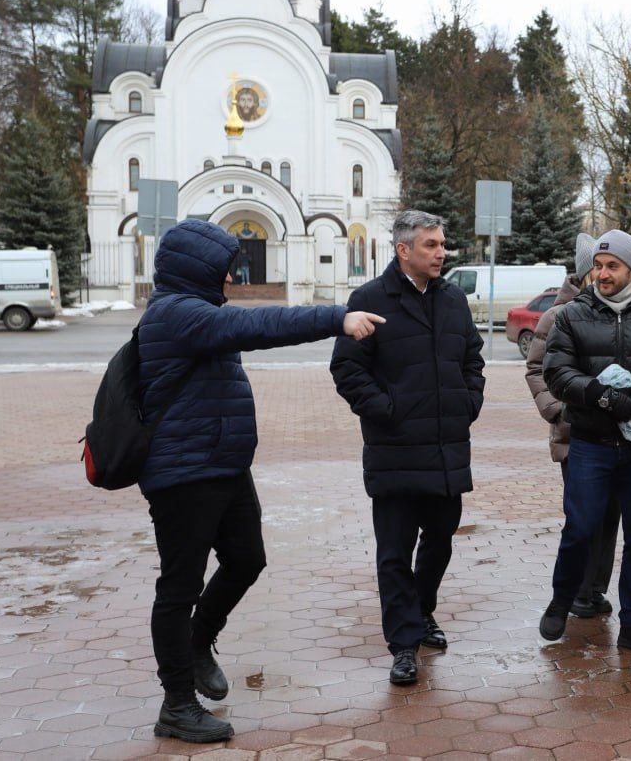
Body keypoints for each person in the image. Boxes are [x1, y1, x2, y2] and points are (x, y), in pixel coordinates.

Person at [137, 219, 383, 743]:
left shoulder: (198, 310)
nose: (230, 277)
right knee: (178, 588)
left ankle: (198, 641)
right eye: (223, 269)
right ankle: (176, 705)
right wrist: (337, 318)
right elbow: (261, 325)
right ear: (197, 269)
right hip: (183, 474)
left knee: (247, 559)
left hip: (222, 465)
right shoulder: (177, 314)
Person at [330, 210, 485, 687]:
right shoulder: (369, 300)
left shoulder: (453, 299)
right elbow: (347, 369)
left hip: (446, 449)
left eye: (442, 244)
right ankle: (403, 644)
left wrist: (467, 403)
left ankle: (421, 610)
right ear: (403, 250)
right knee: (395, 553)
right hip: (394, 449)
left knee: (440, 539)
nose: (441, 253)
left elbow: (473, 359)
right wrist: (387, 410)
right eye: (431, 245)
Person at [539, 229, 631, 656]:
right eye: (598, 266)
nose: (602, 274)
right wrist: (602, 396)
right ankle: (562, 600)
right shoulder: (572, 315)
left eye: (612, 266)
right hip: (591, 444)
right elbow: (556, 372)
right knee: (580, 529)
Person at [525, 233, 622, 619]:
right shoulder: (558, 315)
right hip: (574, 435)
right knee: (584, 516)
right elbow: (536, 368)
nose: (603, 275)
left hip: (618, 436)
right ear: (585, 273)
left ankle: (595, 588)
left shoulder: (618, 311)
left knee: (610, 516)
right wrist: (557, 411)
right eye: (596, 268)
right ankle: (579, 590)